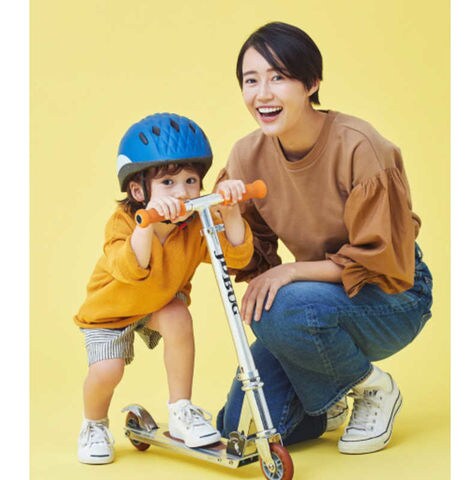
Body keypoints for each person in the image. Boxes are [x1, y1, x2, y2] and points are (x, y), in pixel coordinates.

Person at [215, 22, 433, 455]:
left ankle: (373, 389)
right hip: (316, 300)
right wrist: (230, 216)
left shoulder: (360, 146)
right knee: (239, 426)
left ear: (311, 83)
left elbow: (381, 259)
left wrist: (293, 272)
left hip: (393, 293)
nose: (262, 94)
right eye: (251, 80)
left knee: (277, 307)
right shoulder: (246, 155)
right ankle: (327, 404)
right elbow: (254, 259)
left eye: (278, 77)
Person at [74, 112, 253, 464]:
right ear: (138, 191)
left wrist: (230, 211)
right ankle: (93, 424)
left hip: (158, 303)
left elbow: (235, 258)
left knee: (178, 316)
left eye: (190, 180)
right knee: (108, 371)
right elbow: (131, 269)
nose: (183, 192)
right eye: (168, 182)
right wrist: (147, 224)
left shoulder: (195, 224)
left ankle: (181, 409)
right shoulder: (123, 223)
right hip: (111, 312)